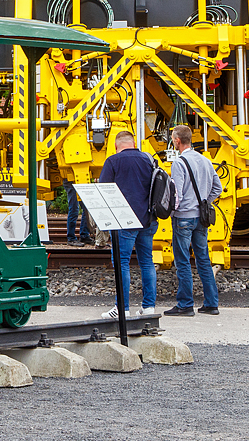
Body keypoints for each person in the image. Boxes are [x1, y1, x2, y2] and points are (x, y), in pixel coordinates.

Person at [96, 130, 158, 319]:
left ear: (116, 146)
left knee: (122, 263)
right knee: (146, 262)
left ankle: (122, 308)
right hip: (147, 220)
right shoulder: (149, 160)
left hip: (124, 221)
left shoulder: (113, 161)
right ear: (133, 143)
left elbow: (103, 189)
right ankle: (148, 308)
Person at [165, 124, 222, 316]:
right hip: (201, 218)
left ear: (177, 141)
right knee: (203, 260)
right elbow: (218, 188)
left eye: (173, 138)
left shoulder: (179, 163)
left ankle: (185, 305)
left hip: (184, 218)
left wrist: (171, 211)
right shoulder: (205, 160)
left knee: (182, 261)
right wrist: (204, 202)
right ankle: (211, 304)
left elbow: (177, 195)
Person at [63, 179, 91, 245]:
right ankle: (72, 238)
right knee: (74, 209)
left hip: (77, 180)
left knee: (85, 209)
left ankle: (83, 235)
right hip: (73, 180)